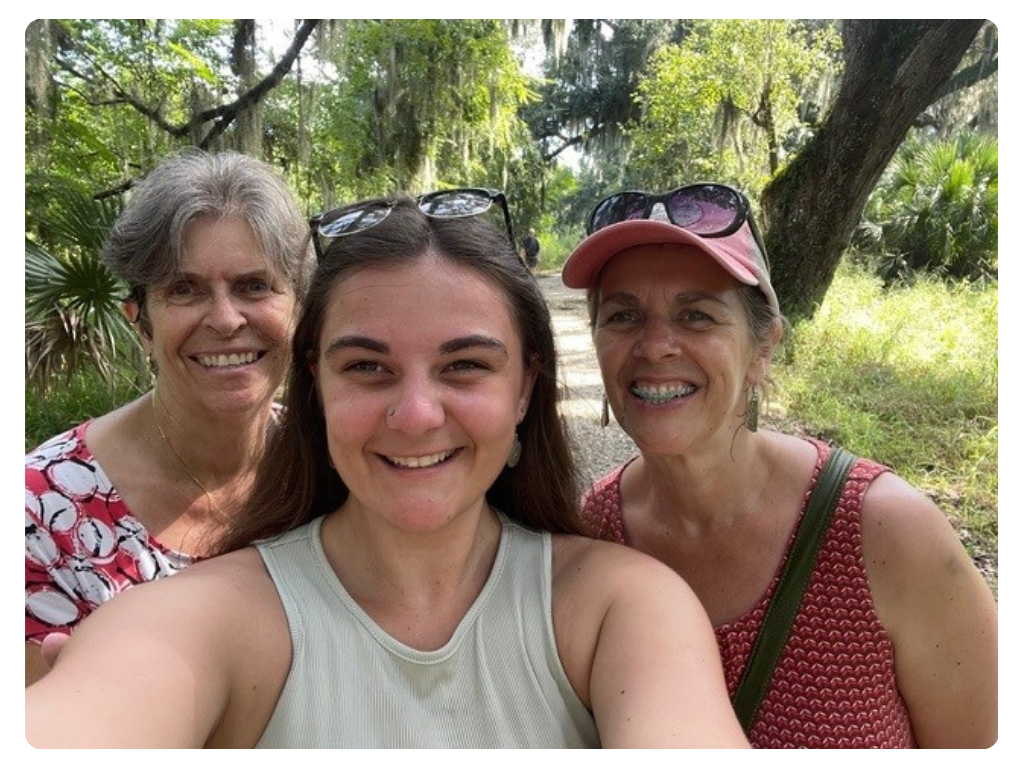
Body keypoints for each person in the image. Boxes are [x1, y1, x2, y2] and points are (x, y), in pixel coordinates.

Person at [25, 191, 750, 749]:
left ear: (526, 386)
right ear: (316, 385)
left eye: (464, 366)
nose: (415, 415)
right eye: (368, 367)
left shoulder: (618, 608)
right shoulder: (218, 616)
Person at [561, 183, 998, 749]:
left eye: (696, 315)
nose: (655, 346)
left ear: (762, 347)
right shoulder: (595, 528)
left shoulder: (886, 531)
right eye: (624, 316)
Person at [24, 149, 313, 687]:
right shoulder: (42, 514)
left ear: (297, 307)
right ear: (140, 321)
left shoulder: (331, 462)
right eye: (185, 289)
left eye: (254, 285)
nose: (226, 320)